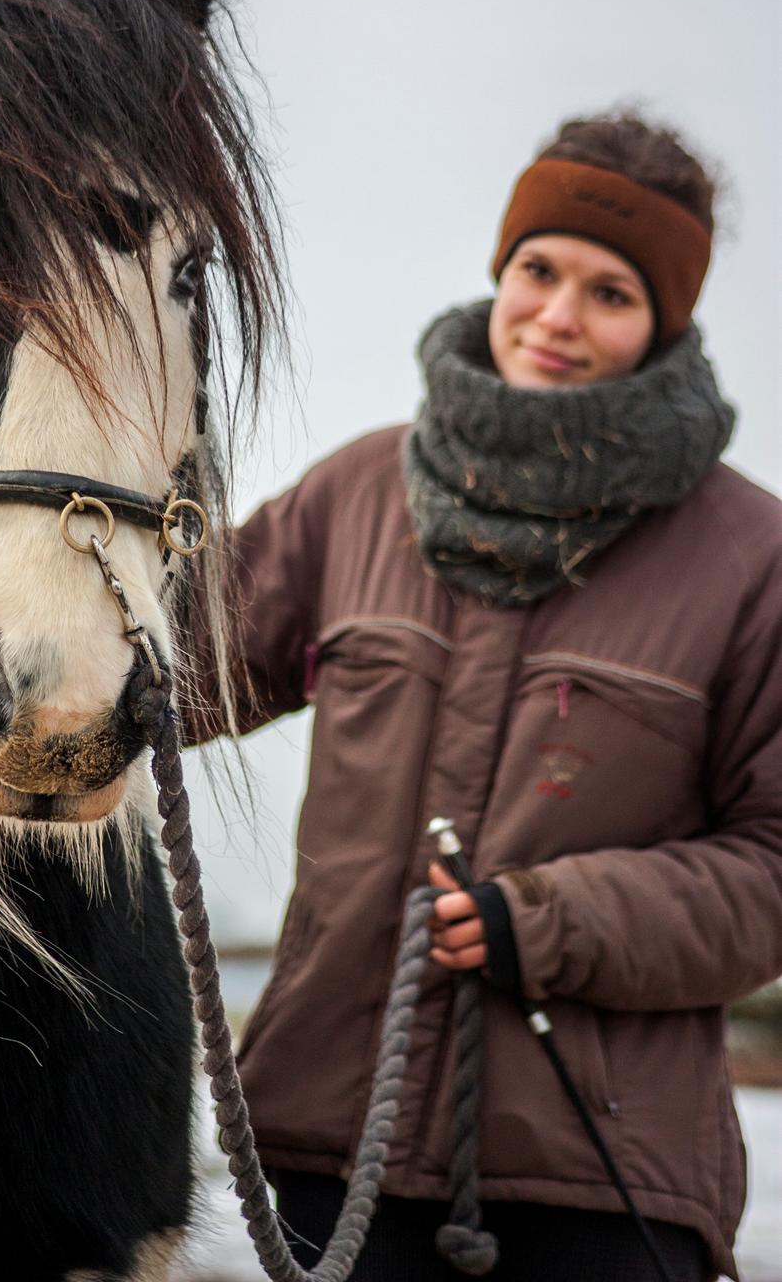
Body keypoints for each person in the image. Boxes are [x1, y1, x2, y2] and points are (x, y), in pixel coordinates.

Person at [186, 111, 782, 1282]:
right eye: (537, 269)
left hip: (600, 1188)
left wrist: (549, 920)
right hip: (326, 1156)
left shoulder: (749, 556)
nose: (556, 315)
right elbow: (149, 677)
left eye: (609, 292)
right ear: (500, 272)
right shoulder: (355, 493)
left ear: (662, 323)